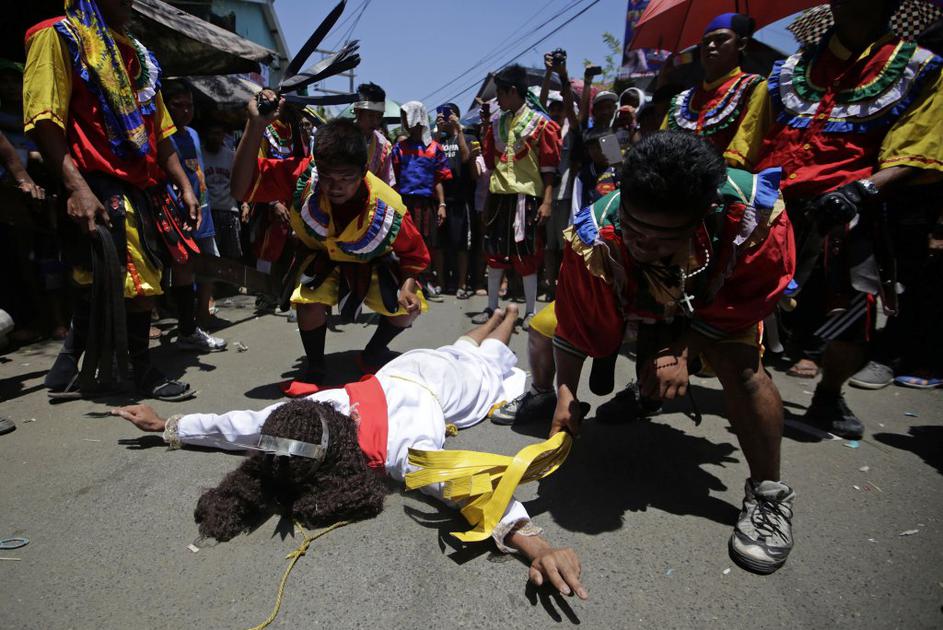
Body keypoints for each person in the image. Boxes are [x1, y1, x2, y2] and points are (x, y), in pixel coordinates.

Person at [113, 304, 588, 599]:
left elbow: (239, 427)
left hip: (410, 366)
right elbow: (468, 487)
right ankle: (507, 317)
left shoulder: (312, 412)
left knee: (465, 345)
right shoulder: (402, 447)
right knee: (486, 356)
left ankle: (499, 315)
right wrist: (537, 546)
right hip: (456, 385)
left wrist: (168, 425)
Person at [503, 132, 797, 574]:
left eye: (660, 239)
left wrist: (683, 350)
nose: (641, 244)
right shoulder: (596, 232)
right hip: (631, 309)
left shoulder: (751, 216)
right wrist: (567, 392)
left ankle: (769, 495)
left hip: (716, 309)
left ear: (702, 217)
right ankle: (628, 387)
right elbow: (578, 318)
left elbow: (751, 297)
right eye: (633, 228)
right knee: (545, 327)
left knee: (742, 370)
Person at [725, 0, 943, 438]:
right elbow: (747, 141)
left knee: (849, 315)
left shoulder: (919, 68)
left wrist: (861, 190)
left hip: (851, 213)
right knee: (742, 301)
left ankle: (828, 396)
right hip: (774, 207)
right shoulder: (790, 69)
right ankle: (742, 388)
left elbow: (920, 147)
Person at [24, 0, 201, 401]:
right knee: (133, 281)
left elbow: (161, 130)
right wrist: (77, 188)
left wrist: (185, 185)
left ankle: (66, 369)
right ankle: (139, 371)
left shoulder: (139, 54)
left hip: (143, 187)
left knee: (105, 280)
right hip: (96, 183)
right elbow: (44, 119)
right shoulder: (59, 35)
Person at [230, 91, 430, 392]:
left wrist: (407, 287)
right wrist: (255, 124)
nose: (335, 187)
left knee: (409, 309)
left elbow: (415, 256)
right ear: (317, 167)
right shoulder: (303, 176)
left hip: (370, 262)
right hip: (321, 258)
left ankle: (374, 353)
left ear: (363, 172)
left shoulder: (389, 208)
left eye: (346, 178)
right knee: (307, 301)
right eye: (327, 177)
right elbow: (240, 188)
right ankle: (315, 366)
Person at [475, 64, 562, 329]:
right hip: (499, 196)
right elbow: (490, 163)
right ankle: (492, 307)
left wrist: (547, 201)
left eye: (500, 94)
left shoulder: (541, 124)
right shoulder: (496, 124)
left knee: (526, 254)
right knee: (494, 252)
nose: (497, 100)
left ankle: (531, 312)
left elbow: (549, 168)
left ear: (512, 91)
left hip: (527, 198)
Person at [163, 80, 227, 345]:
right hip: (177, 215)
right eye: (178, 105)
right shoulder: (162, 137)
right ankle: (187, 327)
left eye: (189, 105)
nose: (185, 111)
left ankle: (202, 315)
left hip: (204, 211)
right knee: (183, 270)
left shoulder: (193, 134)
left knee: (210, 265)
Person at [663, 13, 764, 154]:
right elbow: (660, 147)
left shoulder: (753, 87)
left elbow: (741, 150)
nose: (710, 46)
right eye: (705, 42)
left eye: (721, 39)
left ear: (741, 44)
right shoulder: (682, 99)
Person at [391, 101, 451, 299]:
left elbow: (438, 179)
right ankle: (403, 283)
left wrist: (442, 204)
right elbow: (392, 178)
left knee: (427, 243)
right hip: (403, 204)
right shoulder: (399, 148)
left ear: (417, 119)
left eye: (406, 117)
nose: (404, 122)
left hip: (426, 205)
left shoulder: (435, 148)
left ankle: (424, 282)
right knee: (403, 244)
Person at [539, 51, 580, 302]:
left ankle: (564, 288)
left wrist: (562, 74)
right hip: (545, 194)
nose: (555, 111)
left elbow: (569, 102)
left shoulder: (571, 129)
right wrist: (548, 73)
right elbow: (539, 104)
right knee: (548, 245)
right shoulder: (544, 127)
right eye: (552, 108)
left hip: (565, 195)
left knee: (564, 245)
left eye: (559, 108)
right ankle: (549, 287)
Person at [434, 102, 473, 296]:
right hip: (440, 199)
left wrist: (458, 129)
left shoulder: (467, 136)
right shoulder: (439, 139)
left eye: (449, 114)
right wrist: (438, 131)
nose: (446, 117)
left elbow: (465, 157)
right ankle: (440, 283)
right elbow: (431, 158)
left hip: (459, 199)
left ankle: (461, 285)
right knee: (439, 245)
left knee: (460, 245)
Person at [201, 119, 245, 261]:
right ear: (206, 134)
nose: (215, 137)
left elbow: (240, 182)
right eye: (212, 133)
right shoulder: (199, 154)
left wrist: (245, 204)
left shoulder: (231, 156)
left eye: (218, 134)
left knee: (231, 257)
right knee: (210, 257)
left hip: (229, 212)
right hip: (208, 212)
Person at [352, 82, 396, 187]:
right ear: (357, 112)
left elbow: (387, 183)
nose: (375, 122)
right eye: (371, 115)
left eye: (379, 117)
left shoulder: (384, 145)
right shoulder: (339, 137)